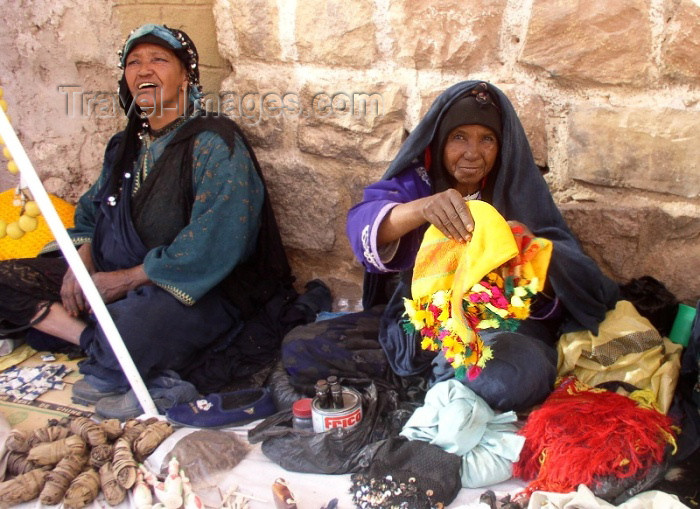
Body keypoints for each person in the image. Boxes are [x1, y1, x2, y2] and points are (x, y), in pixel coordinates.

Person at [0, 24, 298, 415]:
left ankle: (104, 345)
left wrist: (123, 281)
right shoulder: (124, 146)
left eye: (159, 60)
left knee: (132, 329)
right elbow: (91, 211)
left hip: (191, 288)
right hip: (108, 273)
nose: (144, 71)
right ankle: (93, 340)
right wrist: (80, 263)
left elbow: (216, 242)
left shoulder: (215, 143)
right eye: (133, 62)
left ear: (186, 76)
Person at [282, 81, 619, 411]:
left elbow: (584, 282)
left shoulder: (517, 191)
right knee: (303, 347)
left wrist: (530, 251)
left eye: (487, 139)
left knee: (512, 376)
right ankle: (446, 379)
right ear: (439, 142)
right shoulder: (419, 183)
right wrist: (422, 208)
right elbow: (363, 225)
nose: (473, 153)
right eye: (459, 137)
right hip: (419, 327)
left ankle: (438, 382)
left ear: (501, 146)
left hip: (500, 332)